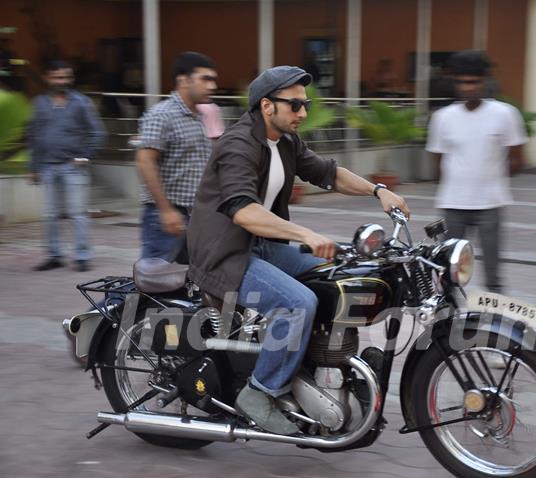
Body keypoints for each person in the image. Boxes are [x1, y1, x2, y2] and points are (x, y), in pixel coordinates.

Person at [187, 66, 410, 435]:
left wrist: (378, 191)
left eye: (304, 104)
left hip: (263, 246)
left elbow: (328, 172)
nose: (303, 113)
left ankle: (321, 368)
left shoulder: (286, 142)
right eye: (295, 105)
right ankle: (260, 392)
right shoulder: (239, 144)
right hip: (226, 252)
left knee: (341, 271)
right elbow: (242, 209)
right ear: (266, 105)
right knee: (296, 303)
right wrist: (303, 233)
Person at [426, 50, 526, 294]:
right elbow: (437, 162)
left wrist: (489, 178)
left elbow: (518, 159)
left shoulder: (505, 114)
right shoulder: (443, 117)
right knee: (447, 272)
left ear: (484, 82)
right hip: (453, 206)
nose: (467, 87)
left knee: (493, 273)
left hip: (490, 205)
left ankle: (496, 326)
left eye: (473, 82)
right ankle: (447, 324)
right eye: (461, 82)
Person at [135, 51, 217, 261]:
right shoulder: (162, 114)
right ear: (183, 80)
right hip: (167, 214)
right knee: (155, 281)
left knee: (189, 281)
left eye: (213, 80)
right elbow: (145, 161)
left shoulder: (201, 115)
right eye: (205, 79)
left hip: (196, 215)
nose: (212, 86)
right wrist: (166, 210)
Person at [28, 60, 106, 272]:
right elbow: (34, 136)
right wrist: (33, 167)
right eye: (57, 77)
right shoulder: (40, 103)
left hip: (73, 168)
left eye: (66, 77)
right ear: (47, 78)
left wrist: (85, 156)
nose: (62, 81)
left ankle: (82, 257)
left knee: (78, 213)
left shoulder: (81, 103)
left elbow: (98, 133)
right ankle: (54, 256)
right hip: (47, 167)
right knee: (50, 214)